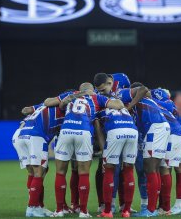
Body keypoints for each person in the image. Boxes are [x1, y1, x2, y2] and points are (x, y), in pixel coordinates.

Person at [50, 82, 125, 218]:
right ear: (92, 90)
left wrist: (64, 102)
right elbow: (119, 105)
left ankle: (59, 210)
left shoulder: (71, 94)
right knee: (84, 173)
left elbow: (48, 102)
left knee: (60, 172)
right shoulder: (97, 97)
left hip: (66, 130)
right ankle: (84, 211)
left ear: (79, 89)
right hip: (84, 131)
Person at [117, 83, 170, 217]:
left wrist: (130, 105)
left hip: (155, 128)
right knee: (154, 169)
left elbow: (143, 88)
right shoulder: (145, 103)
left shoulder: (124, 94)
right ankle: (152, 208)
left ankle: (150, 210)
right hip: (158, 128)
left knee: (150, 168)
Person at [12, 105, 65, 217]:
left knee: (33, 172)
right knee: (39, 173)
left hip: (20, 134)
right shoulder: (60, 111)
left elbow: (25, 116)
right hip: (35, 135)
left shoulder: (42, 106)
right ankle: (32, 207)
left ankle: (38, 206)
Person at [93, 72, 131, 213]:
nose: (103, 91)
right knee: (105, 167)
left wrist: (128, 107)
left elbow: (138, 90)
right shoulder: (98, 95)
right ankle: (104, 203)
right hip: (107, 130)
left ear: (111, 82)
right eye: (100, 90)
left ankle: (120, 205)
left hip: (118, 127)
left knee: (121, 168)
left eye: (104, 88)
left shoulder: (121, 86)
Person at [94, 107, 139, 218]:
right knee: (129, 170)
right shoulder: (122, 106)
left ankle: (108, 211)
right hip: (133, 131)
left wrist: (103, 147)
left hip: (116, 131)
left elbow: (97, 127)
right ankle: (126, 211)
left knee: (109, 169)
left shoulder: (99, 108)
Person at [151, 88, 181, 215]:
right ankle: (177, 205)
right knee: (180, 168)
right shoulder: (170, 103)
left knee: (165, 168)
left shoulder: (156, 102)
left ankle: (165, 207)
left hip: (172, 133)